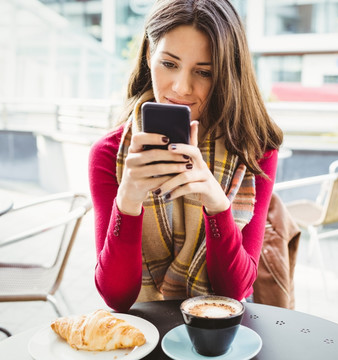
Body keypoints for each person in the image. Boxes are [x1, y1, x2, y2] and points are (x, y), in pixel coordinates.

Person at [88, 0, 283, 312]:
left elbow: (236, 290)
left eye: (203, 72)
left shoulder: (254, 151)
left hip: (217, 332)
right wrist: (127, 200)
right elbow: (116, 297)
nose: (181, 87)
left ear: (225, 74)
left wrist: (217, 205)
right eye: (169, 64)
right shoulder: (109, 154)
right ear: (149, 55)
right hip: (142, 335)